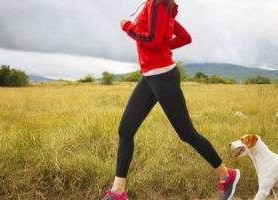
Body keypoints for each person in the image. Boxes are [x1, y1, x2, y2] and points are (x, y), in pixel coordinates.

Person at [102, 0, 240, 200]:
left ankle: (227, 176)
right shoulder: (163, 7)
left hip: (163, 76)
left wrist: (127, 27)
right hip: (149, 76)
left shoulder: (158, 3)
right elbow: (184, 38)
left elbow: (153, 40)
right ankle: (118, 192)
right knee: (126, 130)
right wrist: (163, 45)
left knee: (187, 134)